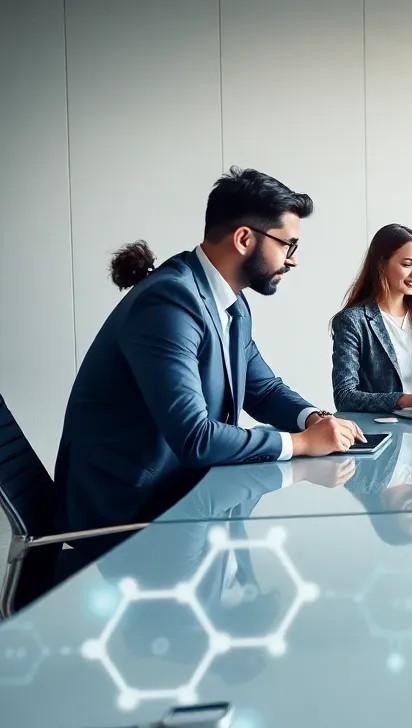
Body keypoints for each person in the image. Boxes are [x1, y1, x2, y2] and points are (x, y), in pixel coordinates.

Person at [53, 167, 364, 535]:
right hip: (127, 508)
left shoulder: (231, 302)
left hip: (179, 491)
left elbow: (261, 388)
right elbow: (196, 438)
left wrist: (313, 419)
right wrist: (301, 443)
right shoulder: (169, 301)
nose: (293, 259)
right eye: (287, 244)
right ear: (244, 238)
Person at [331, 223, 412, 413]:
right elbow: (344, 396)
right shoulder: (353, 321)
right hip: (383, 429)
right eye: (407, 264)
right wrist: (403, 400)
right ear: (382, 265)